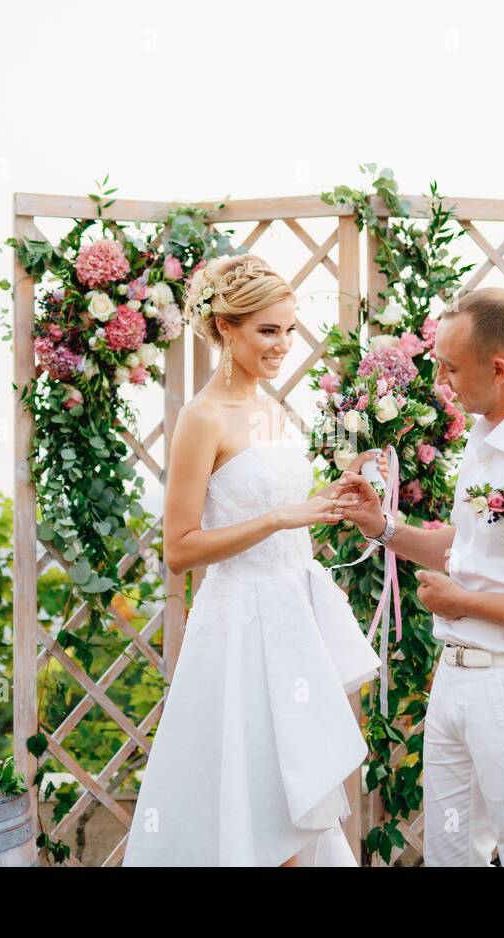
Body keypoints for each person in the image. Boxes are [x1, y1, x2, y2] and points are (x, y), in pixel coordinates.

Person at [333, 287, 504, 866]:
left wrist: (465, 602)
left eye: (451, 367)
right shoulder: (486, 439)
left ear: (500, 367)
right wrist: (381, 527)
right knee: (450, 857)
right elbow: (468, 546)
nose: (442, 380)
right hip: (457, 681)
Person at [122, 254, 383, 867]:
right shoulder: (200, 419)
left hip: (293, 622)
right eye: (269, 330)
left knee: (298, 795)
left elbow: (285, 508)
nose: (284, 344)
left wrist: (331, 495)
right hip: (240, 629)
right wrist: (276, 519)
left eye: (290, 330)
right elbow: (180, 549)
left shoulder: (275, 412)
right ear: (225, 329)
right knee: (260, 805)